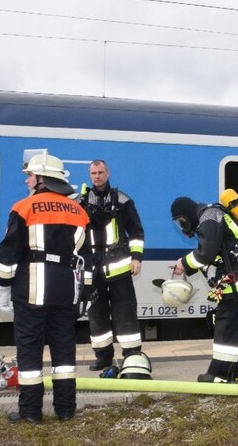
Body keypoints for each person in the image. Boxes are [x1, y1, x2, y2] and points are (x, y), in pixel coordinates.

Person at [0, 152, 92, 423]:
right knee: (64, 350)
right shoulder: (79, 211)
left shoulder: (23, 208)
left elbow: (9, 253)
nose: (27, 180)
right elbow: (88, 257)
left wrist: (3, 287)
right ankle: (65, 409)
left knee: (29, 349)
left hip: (31, 289)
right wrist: (86, 291)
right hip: (66, 290)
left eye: (30, 175)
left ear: (41, 179)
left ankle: (30, 413)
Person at [170, 196, 238, 382]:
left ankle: (219, 374)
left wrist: (184, 263)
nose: (183, 228)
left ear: (186, 215)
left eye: (181, 222)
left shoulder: (209, 217)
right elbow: (217, 253)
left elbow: (207, 253)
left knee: (226, 324)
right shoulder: (212, 216)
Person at [78, 160, 150, 374]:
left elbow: (136, 232)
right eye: (93, 173)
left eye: (101, 172)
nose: (97, 176)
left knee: (125, 310)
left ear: (108, 173)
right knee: (96, 312)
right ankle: (103, 356)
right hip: (92, 265)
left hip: (118, 264)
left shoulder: (122, 200)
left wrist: (136, 258)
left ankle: (132, 355)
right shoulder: (81, 202)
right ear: (89, 175)